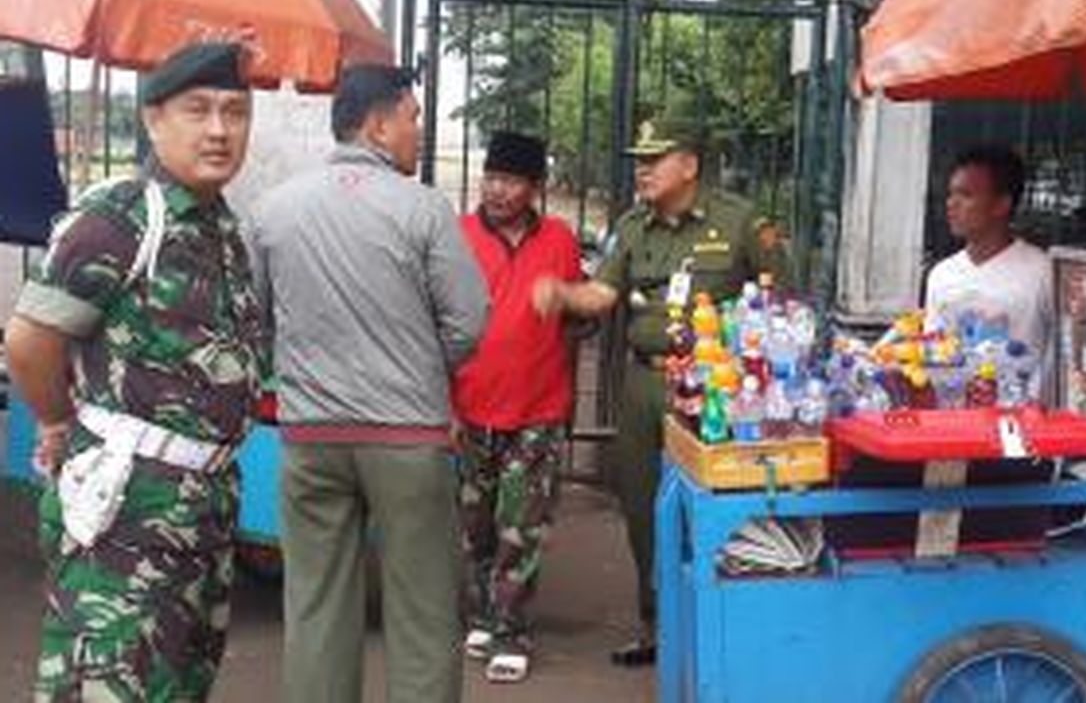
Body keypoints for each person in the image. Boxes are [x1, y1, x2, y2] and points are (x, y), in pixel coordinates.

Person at [4, 41, 266, 701]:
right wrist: (59, 419)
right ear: (154, 118)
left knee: (175, 685)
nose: (218, 129)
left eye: (235, 112)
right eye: (198, 110)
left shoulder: (221, 228)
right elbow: (30, 342)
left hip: (201, 514)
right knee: (107, 683)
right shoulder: (120, 216)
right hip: (125, 518)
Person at [249, 63, 489, 703]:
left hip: (310, 439)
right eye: (413, 117)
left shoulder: (273, 212)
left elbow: (255, 322)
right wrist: (416, 364)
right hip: (408, 440)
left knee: (317, 604)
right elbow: (469, 320)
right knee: (424, 609)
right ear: (378, 125)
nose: (418, 131)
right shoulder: (425, 210)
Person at [532, 119, 791, 666]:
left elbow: (781, 304)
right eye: (639, 159)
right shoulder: (632, 226)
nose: (642, 170)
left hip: (713, 392)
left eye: (656, 158)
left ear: (690, 165)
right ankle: (656, 626)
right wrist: (563, 294)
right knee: (643, 507)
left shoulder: (741, 222)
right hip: (644, 384)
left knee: (711, 506)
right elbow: (604, 293)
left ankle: (715, 625)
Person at [451, 131, 582, 683]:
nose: (498, 190)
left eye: (511, 181)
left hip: (538, 407)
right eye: (492, 178)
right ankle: (484, 612)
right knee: (474, 524)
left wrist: (571, 299)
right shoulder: (456, 236)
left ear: (535, 187)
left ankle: (512, 629)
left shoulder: (559, 239)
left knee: (521, 526)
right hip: (469, 406)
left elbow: (579, 316)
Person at [925, 145, 1052, 377]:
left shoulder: (1043, 272)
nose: (951, 204)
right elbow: (933, 352)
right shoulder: (942, 274)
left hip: (1021, 409)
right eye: (951, 194)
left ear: (1001, 205)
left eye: (966, 195)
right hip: (953, 409)